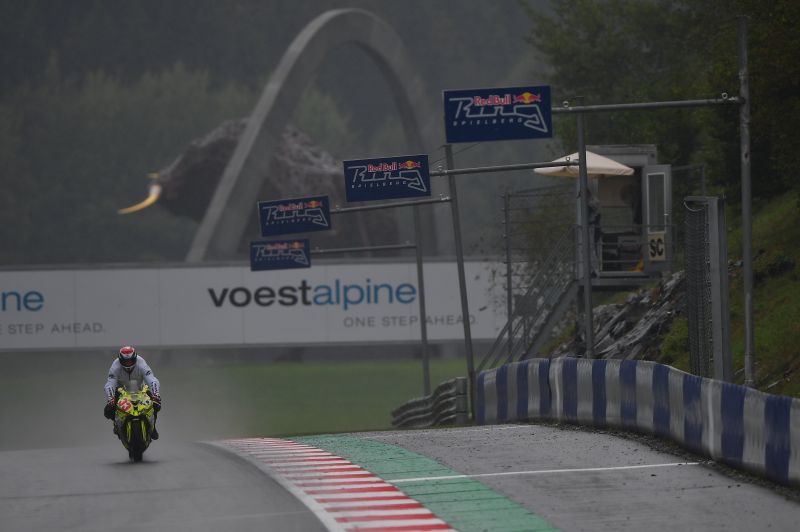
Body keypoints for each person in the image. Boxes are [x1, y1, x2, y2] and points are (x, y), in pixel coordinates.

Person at [103, 346, 161, 440]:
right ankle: (116, 424)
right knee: (108, 411)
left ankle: (153, 427)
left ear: (135, 358)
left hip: (140, 389)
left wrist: (156, 394)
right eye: (125, 361)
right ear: (120, 360)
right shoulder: (115, 366)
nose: (128, 363)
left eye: (130, 361)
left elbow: (152, 380)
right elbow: (110, 384)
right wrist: (110, 398)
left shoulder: (141, 363)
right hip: (121, 390)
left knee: (156, 404)